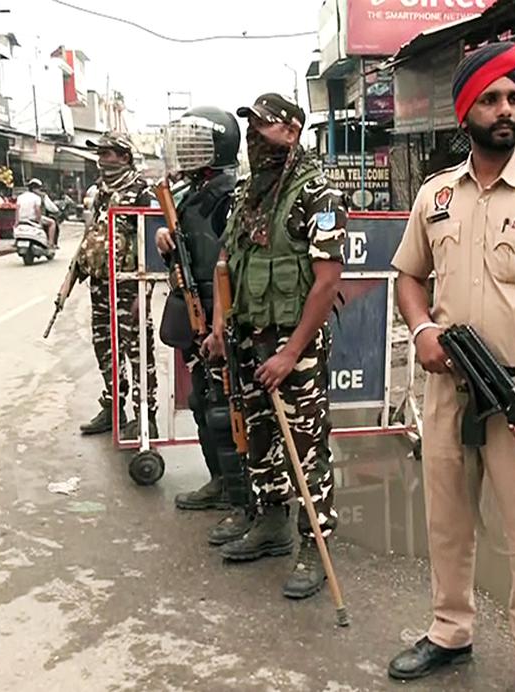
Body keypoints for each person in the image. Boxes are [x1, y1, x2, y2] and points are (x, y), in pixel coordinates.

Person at [385, 42, 515, 692]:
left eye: (514, 97)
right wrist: (420, 329)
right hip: (449, 390)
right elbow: (408, 277)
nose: (505, 109)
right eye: (491, 98)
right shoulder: (435, 195)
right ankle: (451, 632)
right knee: (446, 523)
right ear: (465, 110)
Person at [202, 93, 346, 599]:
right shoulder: (248, 195)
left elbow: (326, 283)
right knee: (259, 440)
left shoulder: (318, 194)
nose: (254, 140)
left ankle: (315, 543)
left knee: (306, 451)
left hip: (294, 346)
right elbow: (227, 263)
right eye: (252, 130)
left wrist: (290, 354)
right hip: (249, 338)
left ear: (291, 130)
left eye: (263, 129)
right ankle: (270, 523)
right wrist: (220, 328)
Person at [154, 106, 254, 546]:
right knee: (201, 403)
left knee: (224, 411)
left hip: (221, 320)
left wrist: (221, 324)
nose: (187, 148)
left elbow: (229, 261)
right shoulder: (192, 191)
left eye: (198, 140)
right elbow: (192, 253)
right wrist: (167, 246)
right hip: (194, 316)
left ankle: (242, 500)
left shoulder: (228, 194)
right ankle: (219, 482)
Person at [76, 133, 160, 440]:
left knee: (138, 352)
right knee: (105, 347)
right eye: (100, 153)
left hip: (129, 285)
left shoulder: (142, 191)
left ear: (124, 156)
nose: (101, 159)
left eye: (108, 153)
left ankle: (145, 416)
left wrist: (146, 290)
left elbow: (154, 243)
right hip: (101, 283)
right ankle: (113, 406)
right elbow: (92, 234)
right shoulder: (100, 190)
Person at [17, 178, 58, 248]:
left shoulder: (21, 196)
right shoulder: (40, 197)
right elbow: (38, 210)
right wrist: (39, 222)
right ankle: (51, 243)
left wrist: (17, 221)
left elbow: (17, 209)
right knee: (52, 223)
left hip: (22, 219)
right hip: (33, 219)